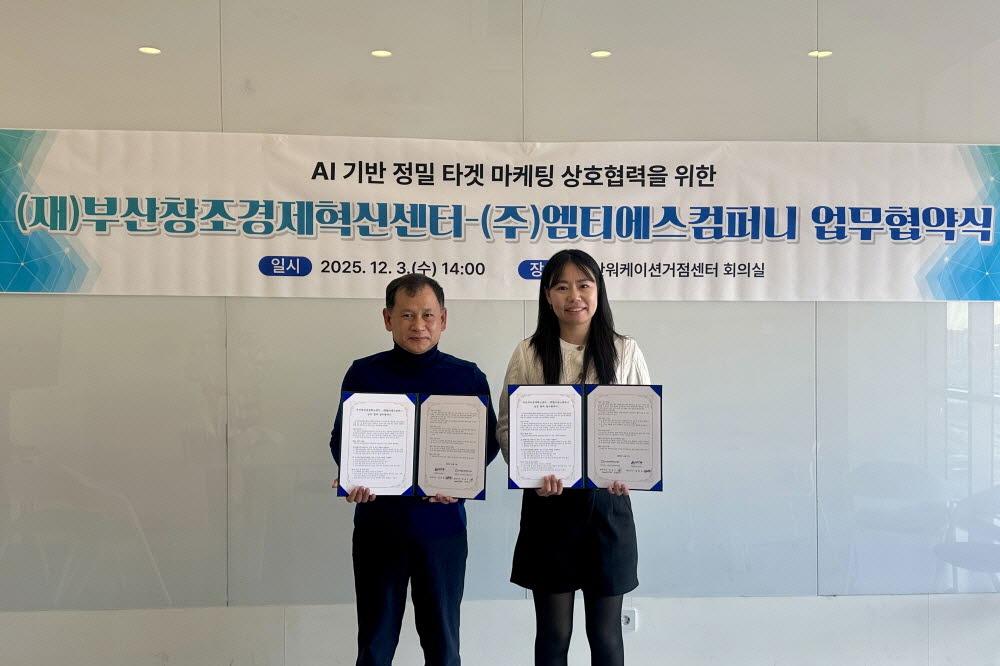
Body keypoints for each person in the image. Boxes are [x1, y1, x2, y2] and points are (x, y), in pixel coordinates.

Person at [330, 273, 499, 666]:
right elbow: (342, 439)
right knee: (374, 646)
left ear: (443, 319)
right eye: (407, 315)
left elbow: (486, 444)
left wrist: (462, 481)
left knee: (443, 647)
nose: (418, 325)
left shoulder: (467, 377)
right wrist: (353, 475)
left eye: (427, 314)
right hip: (378, 527)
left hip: (442, 529)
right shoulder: (364, 374)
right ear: (388, 319)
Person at [497, 249, 650, 666]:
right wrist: (530, 472)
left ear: (598, 291)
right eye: (562, 287)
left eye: (584, 285)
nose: (574, 296)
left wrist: (630, 469)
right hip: (549, 506)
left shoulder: (625, 350)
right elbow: (508, 426)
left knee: (605, 635)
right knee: (553, 634)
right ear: (548, 295)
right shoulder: (529, 352)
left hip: (608, 507)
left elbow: (641, 423)